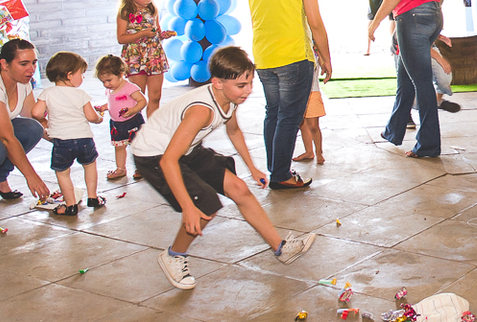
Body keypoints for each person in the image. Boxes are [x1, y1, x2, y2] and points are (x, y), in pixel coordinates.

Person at [131, 46, 317, 290]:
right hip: (154, 155)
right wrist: (188, 206)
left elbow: (234, 130)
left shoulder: (230, 99)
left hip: (186, 149)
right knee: (204, 204)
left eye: (250, 83)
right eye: (242, 85)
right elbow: (168, 160)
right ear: (218, 83)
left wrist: (252, 168)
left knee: (239, 189)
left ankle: (281, 249)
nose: (248, 91)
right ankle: (174, 255)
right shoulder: (201, 110)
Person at [246, 0, 333, 189]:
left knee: (273, 113)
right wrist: (326, 58)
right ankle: (281, 175)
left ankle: (277, 169)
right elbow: (315, 23)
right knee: (289, 117)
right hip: (295, 57)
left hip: (263, 57)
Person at [367, 0, 445, 158]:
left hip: (413, 18)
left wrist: (375, 21)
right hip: (430, 15)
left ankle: (428, 145)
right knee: (405, 77)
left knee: (421, 82)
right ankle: (394, 129)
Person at [0, 39, 51, 202]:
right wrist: (31, 177)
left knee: (32, 128)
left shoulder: (22, 80)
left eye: (34, 62)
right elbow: (6, 138)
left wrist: (65, 138)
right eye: (24, 63)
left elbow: (34, 117)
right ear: (5, 64)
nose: (31, 69)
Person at [31, 51, 105, 216]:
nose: (83, 78)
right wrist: (100, 118)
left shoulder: (48, 93)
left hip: (62, 141)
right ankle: (92, 197)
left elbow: (36, 112)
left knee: (63, 173)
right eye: (81, 74)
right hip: (84, 139)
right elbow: (92, 117)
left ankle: (71, 205)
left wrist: (47, 120)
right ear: (70, 75)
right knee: (90, 165)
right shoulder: (81, 94)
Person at [116, 0, 174, 118]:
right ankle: (136, 128)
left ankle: (152, 129)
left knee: (155, 96)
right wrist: (142, 34)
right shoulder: (125, 12)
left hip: (154, 56)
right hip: (135, 58)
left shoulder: (152, 10)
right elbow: (121, 38)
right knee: (137, 97)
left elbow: (155, 33)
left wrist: (162, 35)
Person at [94, 55, 147, 181]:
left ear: (121, 74)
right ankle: (120, 169)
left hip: (132, 121)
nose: (106, 84)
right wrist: (105, 107)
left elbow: (142, 101)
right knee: (119, 147)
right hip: (117, 124)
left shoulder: (129, 88)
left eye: (109, 80)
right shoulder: (110, 89)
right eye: (103, 82)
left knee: (137, 146)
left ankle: (142, 168)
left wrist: (133, 110)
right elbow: (114, 103)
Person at [431, 0, 461, 114]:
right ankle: (406, 114)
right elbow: (417, 37)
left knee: (444, 78)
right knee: (409, 86)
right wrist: (440, 59)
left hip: (427, 44)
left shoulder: (440, 0)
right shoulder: (426, 2)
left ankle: (437, 101)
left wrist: (438, 36)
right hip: (408, 46)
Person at [294, 61, 326, 164]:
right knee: (302, 124)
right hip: (296, 92)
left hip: (313, 91)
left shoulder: (314, 49)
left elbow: (322, 61)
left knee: (313, 125)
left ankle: (319, 152)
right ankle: (309, 152)